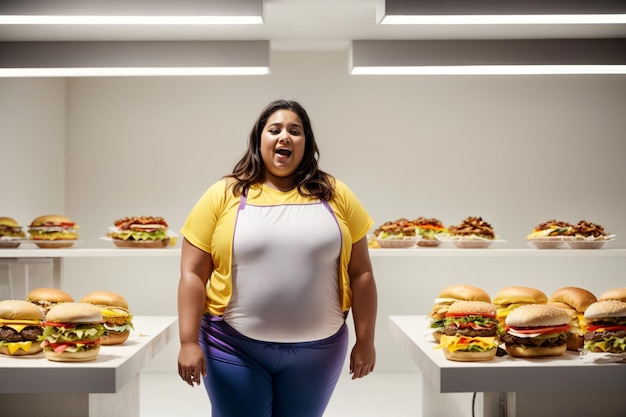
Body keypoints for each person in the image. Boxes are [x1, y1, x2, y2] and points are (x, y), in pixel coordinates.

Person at [177, 99, 378, 417]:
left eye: (294, 131)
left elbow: (362, 274)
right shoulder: (224, 193)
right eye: (275, 130)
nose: (284, 137)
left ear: (306, 143)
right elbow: (192, 273)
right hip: (232, 347)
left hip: (320, 352)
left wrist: (366, 340)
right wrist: (188, 342)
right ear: (260, 139)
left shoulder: (335, 193)